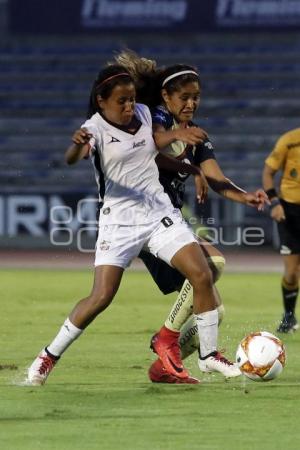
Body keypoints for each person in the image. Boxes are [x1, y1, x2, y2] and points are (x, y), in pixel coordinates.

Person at [26, 63, 240, 386]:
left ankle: (209, 357)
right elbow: (74, 157)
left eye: (131, 99)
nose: (129, 107)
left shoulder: (143, 113)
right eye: (121, 102)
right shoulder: (94, 128)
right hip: (120, 222)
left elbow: (155, 149)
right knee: (101, 296)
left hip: (158, 214)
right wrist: (76, 143)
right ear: (102, 101)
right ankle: (47, 356)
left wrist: (192, 168)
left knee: (202, 273)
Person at [113, 50, 269, 383]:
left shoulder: (195, 134)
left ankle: (163, 369)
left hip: (169, 222)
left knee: (212, 309)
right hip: (143, 220)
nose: (191, 103)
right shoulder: (153, 118)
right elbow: (150, 149)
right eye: (184, 97)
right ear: (166, 96)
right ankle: (167, 338)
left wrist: (245, 195)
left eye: (196, 97)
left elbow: (216, 178)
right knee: (213, 264)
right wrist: (190, 166)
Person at [263, 128, 300, 333]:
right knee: (292, 273)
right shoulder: (289, 140)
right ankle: (289, 317)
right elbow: (268, 172)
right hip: (290, 213)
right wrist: (274, 203)